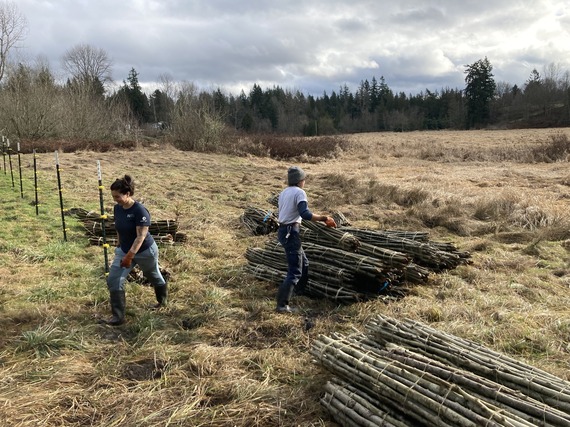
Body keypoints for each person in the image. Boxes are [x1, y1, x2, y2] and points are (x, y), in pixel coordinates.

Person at [104, 175, 167, 325]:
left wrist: (129, 256)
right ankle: (118, 317)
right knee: (114, 279)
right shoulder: (117, 208)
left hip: (145, 251)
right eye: (113, 196)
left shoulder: (140, 211)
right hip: (124, 250)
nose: (115, 200)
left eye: (118, 196)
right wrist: (120, 242)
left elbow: (140, 237)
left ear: (128, 194)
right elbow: (118, 225)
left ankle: (162, 302)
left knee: (152, 275)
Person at [276, 166, 336, 313]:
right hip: (291, 232)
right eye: (304, 180)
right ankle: (282, 306)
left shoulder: (284, 192)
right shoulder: (300, 192)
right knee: (295, 271)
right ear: (299, 180)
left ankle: (298, 291)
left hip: (283, 230)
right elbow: (305, 214)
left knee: (304, 263)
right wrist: (324, 218)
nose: (304, 182)